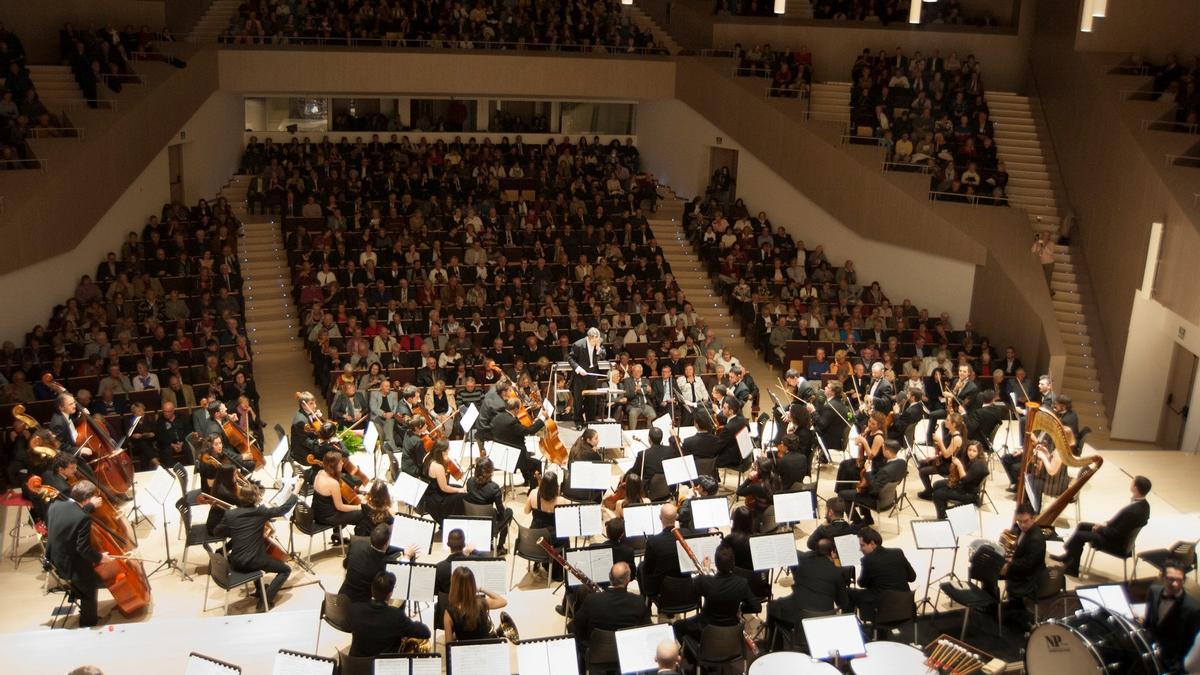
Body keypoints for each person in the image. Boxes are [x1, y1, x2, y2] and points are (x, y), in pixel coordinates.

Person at [214, 479, 301, 611]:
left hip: (235, 561)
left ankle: (260, 590)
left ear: (240, 497)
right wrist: (296, 491)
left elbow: (217, 531)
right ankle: (264, 601)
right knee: (285, 570)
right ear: (256, 499)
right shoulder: (261, 512)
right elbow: (283, 509)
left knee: (255, 553)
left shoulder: (230, 514)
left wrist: (236, 528)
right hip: (254, 561)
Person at [1051, 476, 1151, 576]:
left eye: (1132, 483)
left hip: (1117, 543)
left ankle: (1072, 569)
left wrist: (1100, 529)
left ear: (1135, 488)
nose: (1131, 484)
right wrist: (1104, 525)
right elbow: (1121, 525)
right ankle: (1068, 556)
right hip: (1117, 535)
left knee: (1079, 535)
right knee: (1082, 525)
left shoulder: (1132, 512)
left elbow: (1116, 533)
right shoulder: (1145, 505)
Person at [47, 480, 111, 627]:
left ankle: (78, 591)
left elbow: (70, 521)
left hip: (54, 557)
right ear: (88, 499)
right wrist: (101, 557)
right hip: (69, 566)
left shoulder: (55, 505)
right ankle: (88, 622)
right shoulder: (83, 518)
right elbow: (83, 549)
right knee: (91, 582)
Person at [769, 538, 850, 645]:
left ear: (816, 550)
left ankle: (774, 647)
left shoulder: (802, 563)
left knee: (772, 606)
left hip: (799, 615)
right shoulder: (837, 572)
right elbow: (843, 603)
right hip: (824, 618)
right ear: (832, 552)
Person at [673, 544, 761, 641]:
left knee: (677, 626)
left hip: (706, 630)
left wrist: (705, 570)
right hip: (731, 629)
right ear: (733, 562)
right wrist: (740, 608)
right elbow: (757, 607)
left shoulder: (704, 581)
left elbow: (688, 597)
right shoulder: (742, 582)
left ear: (716, 564)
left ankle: (692, 653)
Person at [347, 571, 433, 657]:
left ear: (371, 589)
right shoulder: (396, 616)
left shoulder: (354, 609)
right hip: (383, 667)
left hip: (356, 665)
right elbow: (425, 633)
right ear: (390, 593)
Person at [570, 562, 651, 646]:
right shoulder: (638, 601)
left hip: (598, 652)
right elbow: (648, 629)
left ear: (609, 577)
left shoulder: (592, 599)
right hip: (628, 650)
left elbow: (577, 624)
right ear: (628, 579)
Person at [1144, 559, 1200, 673]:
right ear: (1162, 577)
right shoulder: (1153, 591)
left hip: (1171, 662)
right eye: (1171, 579)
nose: (1175, 584)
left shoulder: (1193, 609)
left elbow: (1192, 645)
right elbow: (1148, 623)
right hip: (1149, 650)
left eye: (1179, 580)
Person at [850, 526, 915, 621]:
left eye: (862, 545)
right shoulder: (898, 552)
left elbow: (862, 583)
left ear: (872, 543)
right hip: (906, 607)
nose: (860, 549)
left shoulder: (868, 560)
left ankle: (852, 625)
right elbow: (912, 577)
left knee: (849, 592)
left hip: (883, 611)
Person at [838, 440, 906, 525]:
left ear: (887, 451)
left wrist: (868, 470)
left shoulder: (885, 471)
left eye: (883, 449)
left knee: (842, 494)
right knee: (860, 488)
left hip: (878, 501)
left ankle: (857, 522)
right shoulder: (902, 463)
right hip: (890, 498)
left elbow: (873, 489)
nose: (882, 451)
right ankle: (868, 518)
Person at [1000, 502, 1045, 629]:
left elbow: (1029, 564)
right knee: (990, 564)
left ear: (1034, 518)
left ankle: (1013, 609)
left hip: (1028, 577)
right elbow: (1015, 530)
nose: (1022, 525)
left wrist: (1009, 565)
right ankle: (1004, 605)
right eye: (1019, 521)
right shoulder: (1021, 527)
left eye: (1025, 521)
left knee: (992, 571)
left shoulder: (1036, 538)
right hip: (1021, 566)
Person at [339, 523, 410, 603]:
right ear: (386, 543)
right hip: (360, 606)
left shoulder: (357, 544)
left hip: (340, 599)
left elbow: (345, 565)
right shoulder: (385, 564)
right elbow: (400, 577)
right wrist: (407, 556)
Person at [491, 396, 548, 490]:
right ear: (516, 409)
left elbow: (517, 431)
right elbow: (530, 430)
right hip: (511, 456)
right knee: (537, 463)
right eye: (520, 408)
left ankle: (527, 480)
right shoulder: (511, 422)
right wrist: (542, 418)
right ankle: (533, 489)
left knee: (526, 455)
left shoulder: (498, 416)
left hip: (500, 451)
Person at [442, 566, 509, 642]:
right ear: (472, 584)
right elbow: (503, 601)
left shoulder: (449, 612)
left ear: (454, 586)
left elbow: (449, 643)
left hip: (466, 651)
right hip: (487, 649)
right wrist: (481, 589)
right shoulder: (482, 603)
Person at [312, 450, 364, 545]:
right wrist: (359, 507)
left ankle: (337, 534)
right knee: (363, 514)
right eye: (340, 462)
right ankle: (359, 544)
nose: (343, 463)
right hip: (329, 517)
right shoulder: (333, 483)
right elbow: (340, 507)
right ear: (334, 466)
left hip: (317, 513)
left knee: (348, 506)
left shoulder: (320, 473)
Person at [466, 457, 513, 555]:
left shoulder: (469, 482)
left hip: (473, 520)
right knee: (509, 512)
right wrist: (503, 505)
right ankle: (500, 546)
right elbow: (501, 512)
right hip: (489, 526)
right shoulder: (494, 487)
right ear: (490, 471)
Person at [930, 441, 990, 519]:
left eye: (974, 451)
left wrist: (959, 465)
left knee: (938, 494)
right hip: (965, 486)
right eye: (969, 450)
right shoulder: (974, 461)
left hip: (969, 493)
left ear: (979, 452)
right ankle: (944, 511)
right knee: (937, 484)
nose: (971, 453)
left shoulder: (978, 465)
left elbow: (965, 479)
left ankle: (942, 516)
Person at [638, 503, 685, 599]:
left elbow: (648, 568)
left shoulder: (653, 541)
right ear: (676, 517)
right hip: (685, 583)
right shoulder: (687, 535)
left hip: (661, 588)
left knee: (641, 566)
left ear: (660, 517)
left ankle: (645, 603)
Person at [917, 412, 963, 498]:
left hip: (949, 465)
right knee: (921, 463)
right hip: (942, 460)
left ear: (953, 424)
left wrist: (940, 441)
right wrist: (934, 456)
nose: (945, 421)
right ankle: (929, 489)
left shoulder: (956, 438)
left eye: (948, 420)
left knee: (922, 472)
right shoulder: (950, 433)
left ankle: (928, 492)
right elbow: (943, 451)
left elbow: (946, 455)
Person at [421, 439, 466, 524]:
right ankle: (456, 522)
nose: (449, 450)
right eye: (448, 449)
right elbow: (444, 488)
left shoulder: (427, 458)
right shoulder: (438, 467)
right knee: (461, 495)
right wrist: (459, 491)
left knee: (459, 487)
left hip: (431, 491)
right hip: (437, 498)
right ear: (442, 451)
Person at [568, 327, 606, 425]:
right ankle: (578, 421)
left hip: (592, 376)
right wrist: (578, 369)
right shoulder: (578, 345)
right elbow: (570, 358)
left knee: (592, 399)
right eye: (594, 340)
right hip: (580, 376)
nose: (596, 342)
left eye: (597, 340)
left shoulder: (598, 343)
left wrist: (598, 349)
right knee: (578, 400)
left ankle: (590, 420)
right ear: (589, 337)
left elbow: (604, 355)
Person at [620, 363, 656, 429]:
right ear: (632, 372)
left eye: (638, 371)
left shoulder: (646, 381)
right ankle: (632, 432)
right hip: (633, 405)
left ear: (641, 372)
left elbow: (652, 395)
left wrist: (650, 391)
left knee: (653, 415)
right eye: (635, 371)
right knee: (633, 414)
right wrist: (635, 391)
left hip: (645, 405)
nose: (637, 373)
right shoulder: (627, 381)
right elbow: (626, 394)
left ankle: (649, 430)